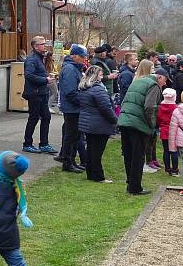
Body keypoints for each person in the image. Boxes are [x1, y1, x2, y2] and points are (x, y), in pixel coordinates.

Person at [117, 65, 167, 195]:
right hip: (138, 124)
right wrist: (152, 124)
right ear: (159, 77)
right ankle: (135, 187)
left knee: (128, 154)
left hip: (125, 120)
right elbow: (150, 107)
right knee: (138, 156)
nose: (165, 84)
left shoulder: (138, 81)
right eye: (165, 80)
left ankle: (130, 183)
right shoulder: (153, 85)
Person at [77, 65, 117, 183]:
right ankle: (98, 176)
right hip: (99, 124)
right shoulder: (98, 89)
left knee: (91, 149)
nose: (102, 77)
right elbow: (106, 108)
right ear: (95, 76)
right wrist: (115, 120)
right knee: (97, 152)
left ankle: (91, 174)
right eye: (100, 75)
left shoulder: (84, 88)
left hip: (88, 123)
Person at [22, 36, 57, 154]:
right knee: (34, 118)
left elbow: (38, 73)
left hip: (42, 92)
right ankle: (27, 143)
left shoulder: (40, 58)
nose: (45, 46)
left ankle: (44, 144)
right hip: (35, 93)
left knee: (46, 117)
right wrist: (45, 80)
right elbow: (29, 75)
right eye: (42, 44)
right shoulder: (31, 59)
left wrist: (47, 76)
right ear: (35, 46)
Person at [57, 44, 87, 173]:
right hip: (71, 108)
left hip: (74, 107)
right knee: (71, 136)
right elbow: (70, 92)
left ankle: (72, 161)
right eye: (82, 56)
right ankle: (67, 162)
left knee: (74, 136)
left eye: (85, 56)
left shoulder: (74, 68)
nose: (84, 59)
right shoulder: (70, 69)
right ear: (73, 56)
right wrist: (83, 102)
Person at [157, 88, 179, 176]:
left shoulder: (160, 107)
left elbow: (158, 119)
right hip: (173, 131)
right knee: (173, 151)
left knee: (166, 150)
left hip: (164, 130)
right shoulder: (175, 108)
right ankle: (175, 169)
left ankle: (167, 168)